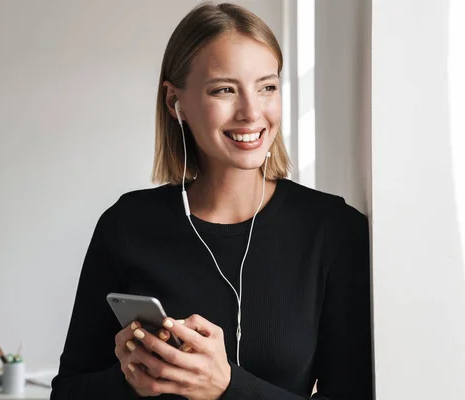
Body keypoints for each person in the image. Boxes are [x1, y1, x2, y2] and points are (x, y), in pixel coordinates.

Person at [50, 2, 373, 399]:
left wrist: (226, 386)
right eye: (224, 89)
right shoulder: (126, 225)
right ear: (175, 102)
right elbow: (68, 393)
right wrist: (132, 379)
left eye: (267, 87)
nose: (252, 112)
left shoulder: (334, 230)